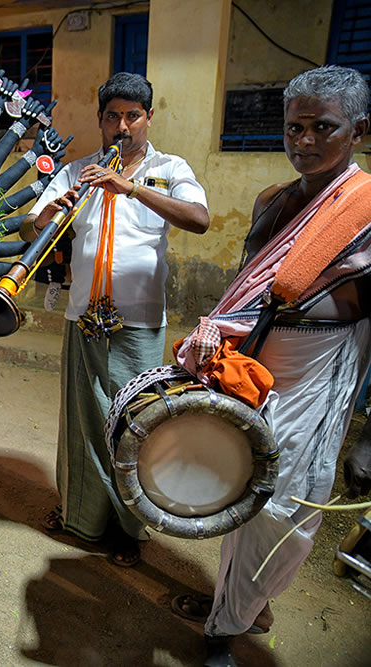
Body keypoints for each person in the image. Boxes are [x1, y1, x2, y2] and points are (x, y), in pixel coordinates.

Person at [169, 65, 371, 667]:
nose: (304, 141)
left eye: (322, 128)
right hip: (251, 370)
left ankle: (226, 626)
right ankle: (238, 608)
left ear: (359, 130)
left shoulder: (365, 211)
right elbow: (247, 292)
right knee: (241, 486)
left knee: (287, 505)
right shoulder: (272, 203)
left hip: (316, 373)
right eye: (294, 128)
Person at [22, 72, 210, 566]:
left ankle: (131, 529)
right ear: (100, 120)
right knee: (84, 425)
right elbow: (33, 223)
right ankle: (82, 517)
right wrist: (47, 215)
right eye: (112, 116)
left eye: (132, 116)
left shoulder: (170, 168)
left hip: (139, 323)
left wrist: (131, 188)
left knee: (136, 426)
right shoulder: (77, 170)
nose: (121, 126)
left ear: (148, 118)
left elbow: (198, 218)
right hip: (85, 318)